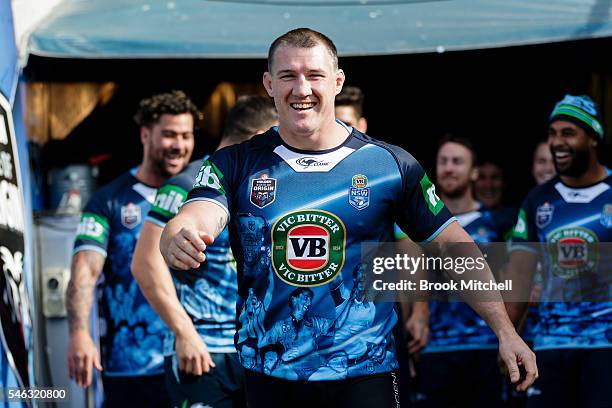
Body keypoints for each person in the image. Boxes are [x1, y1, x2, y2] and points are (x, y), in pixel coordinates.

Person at [160, 28, 536, 408]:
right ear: (269, 84)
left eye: (314, 75)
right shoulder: (236, 161)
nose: (301, 89)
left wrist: (505, 330)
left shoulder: (390, 165)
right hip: (270, 373)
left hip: (365, 373)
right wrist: (180, 235)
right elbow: (195, 215)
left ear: (337, 82)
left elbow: (454, 246)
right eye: (288, 76)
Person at [131, 95, 278, 408]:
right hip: (204, 353)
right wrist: (184, 333)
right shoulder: (189, 181)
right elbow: (145, 262)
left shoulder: (263, 183)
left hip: (258, 351)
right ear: (258, 139)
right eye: (275, 140)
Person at [66, 90, 198, 407]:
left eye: (186, 135)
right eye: (168, 135)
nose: (179, 145)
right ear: (144, 135)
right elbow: (85, 270)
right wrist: (79, 333)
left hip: (194, 356)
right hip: (131, 365)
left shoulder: (204, 193)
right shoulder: (108, 199)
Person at [506, 94, 611, 408]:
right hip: (550, 348)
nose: (557, 142)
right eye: (553, 134)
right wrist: (508, 338)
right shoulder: (538, 200)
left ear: (592, 138)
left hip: (606, 348)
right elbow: (519, 279)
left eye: (568, 133)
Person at [414, 135, 515, 407]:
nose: (448, 168)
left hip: (486, 349)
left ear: (474, 173)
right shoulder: (418, 227)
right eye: (443, 161)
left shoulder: (500, 223)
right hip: (434, 349)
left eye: (457, 162)